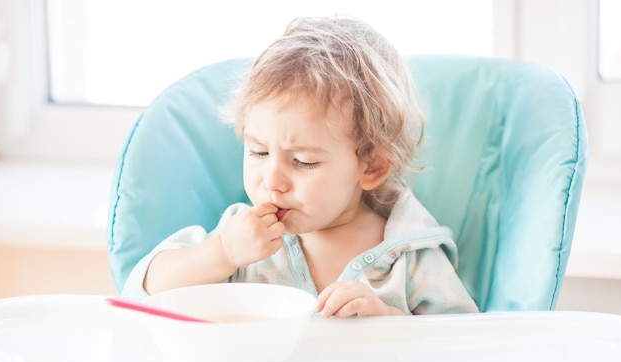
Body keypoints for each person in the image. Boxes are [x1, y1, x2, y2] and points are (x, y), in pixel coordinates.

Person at [122, 15, 479, 316]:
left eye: (303, 161)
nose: (272, 182)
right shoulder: (241, 239)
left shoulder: (411, 257)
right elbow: (141, 290)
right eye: (259, 153)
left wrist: (388, 320)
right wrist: (222, 254)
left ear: (371, 167)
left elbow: (468, 347)